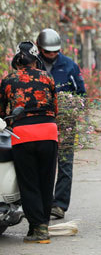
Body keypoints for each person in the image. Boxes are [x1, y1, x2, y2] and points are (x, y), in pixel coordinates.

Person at [0, 42, 58, 243]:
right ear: (36, 59)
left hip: (22, 134)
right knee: (46, 181)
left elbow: (1, 113)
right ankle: (41, 227)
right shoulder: (47, 77)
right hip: (49, 132)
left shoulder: (8, 79)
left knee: (29, 182)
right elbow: (55, 108)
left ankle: (38, 228)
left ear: (17, 59)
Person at [36, 28, 86, 220]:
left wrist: (72, 109)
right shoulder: (34, 65)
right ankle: (42, 202)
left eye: (55, 51)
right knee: (43, 162)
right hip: (41, 121)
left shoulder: (69, 65)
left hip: (64, 121)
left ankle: (59, 204)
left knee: (65, 163)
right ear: (40, 49)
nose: (52, 55)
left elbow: (80, 93)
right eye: (48, 52)